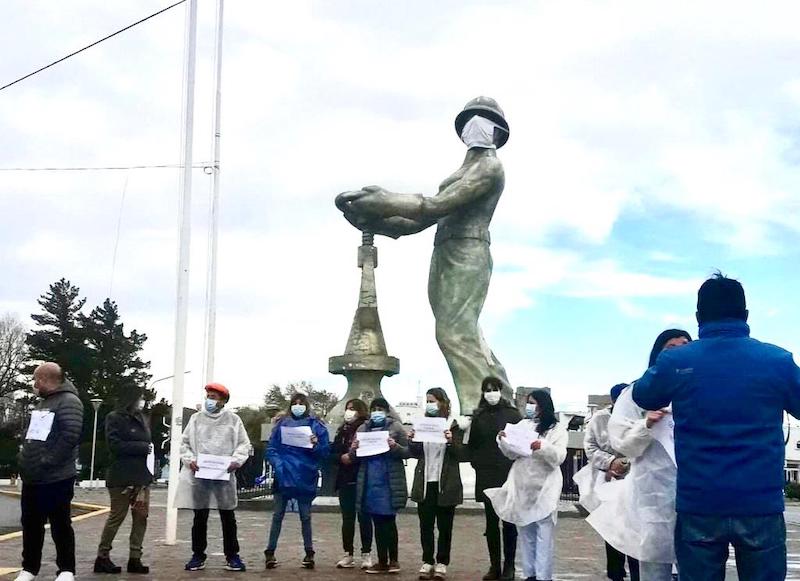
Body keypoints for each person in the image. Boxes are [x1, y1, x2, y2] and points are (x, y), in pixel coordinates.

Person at [335, 96, 513, 413]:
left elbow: (435, 205)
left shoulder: (489, 166)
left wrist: (386, 200)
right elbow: (422, 220)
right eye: (471, 118)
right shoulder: (463, 169)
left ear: (498, 131)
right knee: (463, 332)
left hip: (469, 249)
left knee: (453, 333)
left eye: (485, 119)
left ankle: (477, 411)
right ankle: (503, 399)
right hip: (445, 249)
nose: (476, 125)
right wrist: (376, 221)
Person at [634, 273, 800, 581]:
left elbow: (643, 394)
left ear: (698, 317)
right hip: (760, 503)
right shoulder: (777, 361)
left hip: (699, 502)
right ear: (746, 315)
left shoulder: (679, 361)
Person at [589, 330, 690, 581]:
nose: (678, 350)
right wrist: (645, 426)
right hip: (652, 494)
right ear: (658, 354)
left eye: (685, 345)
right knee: (653, 566)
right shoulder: (636, 393)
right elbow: (622, 442)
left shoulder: (701, 390)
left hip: (695, 491)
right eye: (671, 346)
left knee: (694, 563)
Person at [486, 389, 567, 581]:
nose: (530, 406)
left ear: (543, 404)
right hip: (523, 485)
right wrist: (503, 440)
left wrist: (543, 447)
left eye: (533, 402)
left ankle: (543, 576)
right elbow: (512, 453)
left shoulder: (556, 429)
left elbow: (559, 457)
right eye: (528, 402)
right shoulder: (523, 424)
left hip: (545, 486)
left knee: (544, 535)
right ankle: (530, 574)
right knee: (526, 532)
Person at [15, 363, 84, 581]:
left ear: (46, 379)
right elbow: (34, 434)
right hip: (33, 476)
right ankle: (29, 568)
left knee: (60, 524)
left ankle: (66, 570)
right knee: (31, 524)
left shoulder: (69, 402)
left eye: (36, 380)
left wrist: (48, 460)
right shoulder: (43, 402)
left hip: (57, 477)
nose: (34, 385)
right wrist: (24, 457)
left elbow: (70, 436)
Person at [177, 383, 250, 572]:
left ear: (223, 400)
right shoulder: (195, 419)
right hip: (200, 475)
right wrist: (190, 460)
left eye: (213, 397)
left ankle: (232, 555)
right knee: (200, 516)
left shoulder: (233, 420)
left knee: (228, 516)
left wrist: (236, 461)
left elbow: (243, 444)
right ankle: (198, 555)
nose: (209, 400)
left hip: (223, 475)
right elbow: (184, 444)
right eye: (208, 396)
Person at [575, 383, 639, 581]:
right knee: (611, 528)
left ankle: (637, 572)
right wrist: (611, 463)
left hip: (633, 480)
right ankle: (616, 573)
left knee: (634, 529)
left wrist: (626, 463)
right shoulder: (600, 418)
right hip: (608, 479)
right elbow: (590, 447)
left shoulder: (639, 416)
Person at [264, 392, 331, 570]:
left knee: (305, 516)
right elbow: (271, 449)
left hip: (304, 476)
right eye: (295, 403)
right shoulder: (281, 425)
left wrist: (316, 444)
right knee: (278, 515)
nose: (298, 406)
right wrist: (280, 466)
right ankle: (270, 552)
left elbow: (325, 453)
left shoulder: (316, 426)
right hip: (284, 475)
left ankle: (309, 553)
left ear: (307, 405)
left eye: (301, 403)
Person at [408, 388, 468, 580]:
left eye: (433, 400)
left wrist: (450, 441)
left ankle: (442, 562)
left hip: (446, 483)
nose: (430, 405)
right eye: (427, 401)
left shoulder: (454, 424)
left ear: (442, 402)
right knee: (425, 524)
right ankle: (427, 560)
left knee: (444, 525)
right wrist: (412, 440)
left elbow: (460, 454)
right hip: (425, 482)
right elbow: (416, 453)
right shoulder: (422, 423)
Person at [94, 384, 153, 574]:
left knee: (141, 517)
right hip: (121, 476)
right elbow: (115, 445)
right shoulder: (114, 418)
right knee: (117, 516)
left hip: (141, 477)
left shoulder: (141, 419)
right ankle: (103, 556)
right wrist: (142, 447)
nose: (142, 402)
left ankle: (135, 557)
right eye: (140, 398)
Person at [467, 376, 522, 580]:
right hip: (486, 473)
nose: (491, 393)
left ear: (500, 390)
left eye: (494, 389)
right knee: (491, 524)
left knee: (508, 521)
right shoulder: (479, 416)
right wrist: (477, 462)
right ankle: (494, 566)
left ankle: (509, 566)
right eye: (487, 390)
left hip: (507, 473)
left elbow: (520, 444)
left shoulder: (513, 414)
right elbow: (472, 445)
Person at [349, 398, 410, 574]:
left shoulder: (396, 427)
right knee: (377, 522)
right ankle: (382, 560)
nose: (377, 412)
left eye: (380, 409)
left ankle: (394, 560)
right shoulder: (363, 429)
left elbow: (408, 452)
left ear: (386, 410)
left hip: (389, 482)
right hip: (370, 482)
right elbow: (354, 456)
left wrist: (395, 446)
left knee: (389, 522)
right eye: (374, 409)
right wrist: (354, 448)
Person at [332, 398, 374, 569]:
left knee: (364, 517)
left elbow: (370, 451)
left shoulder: (367, 428)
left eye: (353, 409)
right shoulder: (342, 430)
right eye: (347, 408)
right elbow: (333, 452)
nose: (349, 412)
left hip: (361, 477)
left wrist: (353, 456)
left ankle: (366, 553)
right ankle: (348, 553)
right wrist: (340, 457)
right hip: (345, 478)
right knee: (347, 518)